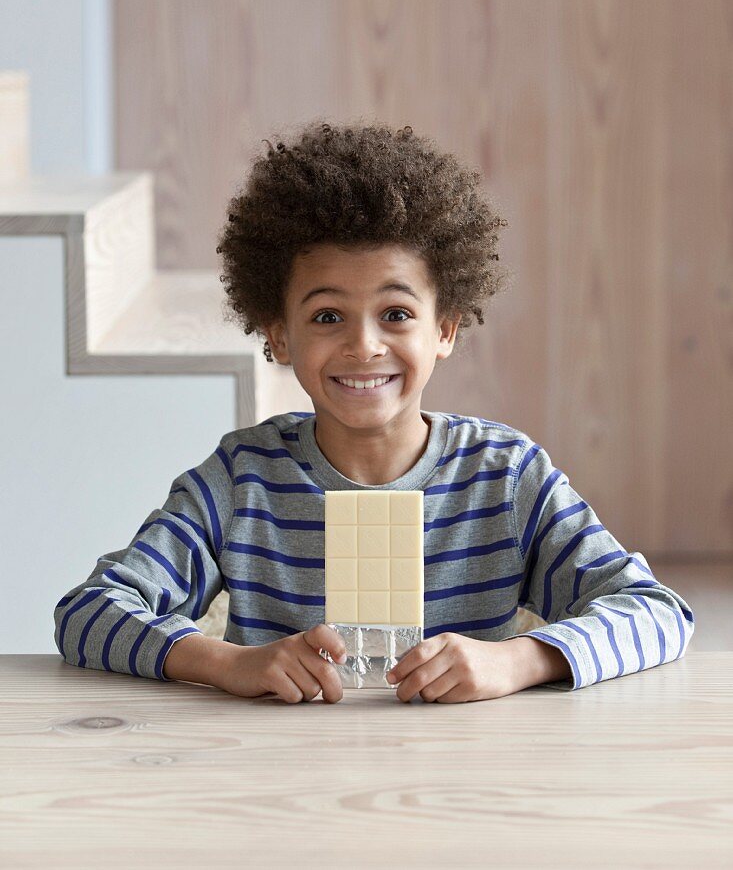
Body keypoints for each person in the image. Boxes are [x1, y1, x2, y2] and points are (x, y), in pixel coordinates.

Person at [53, 121, 695, 704]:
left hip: (467, 789)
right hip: (275, 786)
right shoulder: (242, 479)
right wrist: (227, 663)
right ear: (278, 335)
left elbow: (657, 612)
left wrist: (520, 661)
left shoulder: (505, 477)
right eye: (327, 316)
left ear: (444, 329)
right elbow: (86, 614)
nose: (364, 345)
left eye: (396, 314)